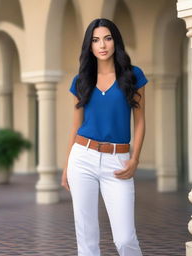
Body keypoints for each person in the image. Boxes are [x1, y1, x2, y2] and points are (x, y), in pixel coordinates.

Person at [61, 18, 148, 256]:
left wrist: (135, 160)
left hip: (117, 160)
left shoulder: (133, 76)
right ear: (89, 46)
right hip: (82, 157)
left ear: (115, 42)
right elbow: (76, 126)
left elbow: (140, 122)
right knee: (86, 238)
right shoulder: (81, 81)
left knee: (125, 239)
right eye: (96, 40)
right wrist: (67, 165)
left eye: (107, 38)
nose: (102, 45)